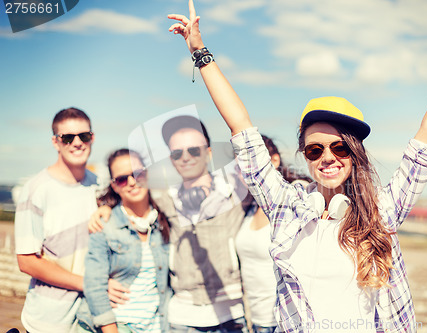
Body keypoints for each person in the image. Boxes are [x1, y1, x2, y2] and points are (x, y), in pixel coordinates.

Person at [167, 1, 427, 332]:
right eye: (314, 149)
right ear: (305, 155)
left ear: (355, 153)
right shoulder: (286, 205)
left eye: (339, 147)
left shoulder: (382, 209)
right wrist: (200, 52)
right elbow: (240, 126)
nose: (327, 157)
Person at [90, 115, 250, 333]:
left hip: (232, 315)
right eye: (177, 153)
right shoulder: (164, 200)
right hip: (181, 320)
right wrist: (105, 206)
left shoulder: (237, 194)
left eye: (194, 150)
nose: (186, 158)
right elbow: (131, 193)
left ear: (208, 152)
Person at [14, 107, 98, 332]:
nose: (77, 142)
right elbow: (27, 261)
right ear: (55, 142)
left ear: (93, 137)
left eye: (84, 135)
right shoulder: (36, 190)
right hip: (50, 321)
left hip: (93, 316)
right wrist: (88, 284)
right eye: (68, 137)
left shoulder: (101, 186)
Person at [78, 149, 170, 333]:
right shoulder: (104, 225)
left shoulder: (165, 219)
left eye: (138, 174)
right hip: (116, 326)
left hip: (156, 326)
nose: (131, 182)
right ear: (114, 185)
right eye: (121, 179)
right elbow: (94, 285)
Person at [235, 135, 309, 333]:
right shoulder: (248, 208)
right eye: (238, 168)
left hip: (287, 321)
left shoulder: (295, 195)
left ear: (274, 160)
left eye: (248, 164)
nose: (245, 172)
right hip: (256, 320)